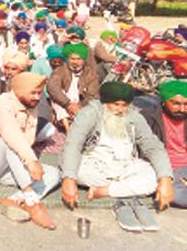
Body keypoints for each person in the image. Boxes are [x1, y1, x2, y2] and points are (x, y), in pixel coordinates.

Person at [60, 82, 174, 211]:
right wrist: (69, 178)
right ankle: (124, 188)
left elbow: (153, 146)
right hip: (94, 165)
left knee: (153, 179)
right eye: (116, 104)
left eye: (124, 105)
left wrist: (165, 178)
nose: (120, 109)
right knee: (78, 172)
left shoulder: (134, 116)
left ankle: (105, 191)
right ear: (105, 102)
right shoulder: (89, 113)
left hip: (125, 165)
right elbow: (73, 144)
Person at [0, 73, 60, 229]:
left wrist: (27, 164)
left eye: (40, 93)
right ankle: (30, 199)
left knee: (54, 174)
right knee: (9, 142)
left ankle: (14, 200)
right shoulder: (3, 104)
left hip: (10, 165)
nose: (37, 97)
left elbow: (27, 140)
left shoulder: (30, 105)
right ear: (20, 90)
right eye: (33, 93)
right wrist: (32, 161)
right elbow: (11, 134)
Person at [138, 80, 187, 208]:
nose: (182, 109)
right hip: (165, 169)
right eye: (176, 104)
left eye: (186, 104)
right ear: (164, 102)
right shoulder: (148, 117)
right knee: (176, 196)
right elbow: (144, 151)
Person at [47, 43, 99, 132]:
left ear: (83, 60)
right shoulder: (60, 70)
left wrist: (79, 106)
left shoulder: (90, 73)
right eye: (72, 59)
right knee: (56, 97)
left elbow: (93, 94)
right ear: (68, 59)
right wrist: (68, 104)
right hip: (64, 103)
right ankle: (67, 128)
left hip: (81, 104)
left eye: (79, 59)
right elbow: (53, 88)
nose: (75, 62)